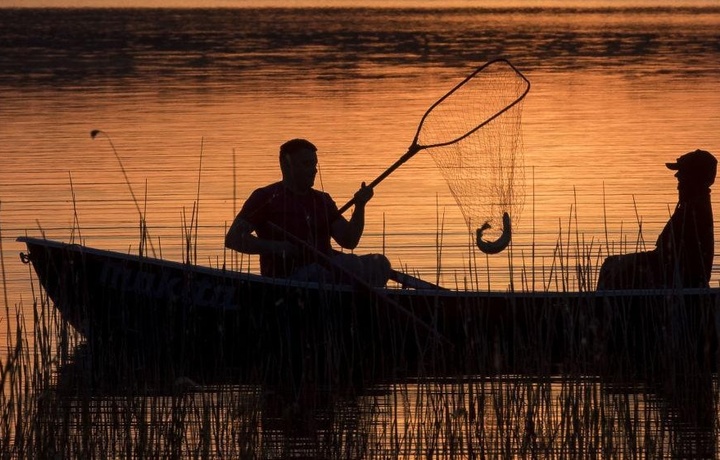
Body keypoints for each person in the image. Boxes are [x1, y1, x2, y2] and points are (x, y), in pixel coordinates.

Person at [225, 138, 392, 287]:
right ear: (286, 164)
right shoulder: (265, 197)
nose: (314, 170)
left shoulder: (322, 200)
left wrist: (360, 206)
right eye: (306, 164)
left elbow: (349, 241)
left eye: (314, 164)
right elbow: (233, 238)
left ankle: (361, 304)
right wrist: (278, 247)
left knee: (380, 264)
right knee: (335, 270)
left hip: (329, 270)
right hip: (288, 278)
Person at [597, 149, 716, 289]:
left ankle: (602, 308)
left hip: (675, 279)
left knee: (612, 267)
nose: (677, 176)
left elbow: (670, 259)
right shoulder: (691, 206)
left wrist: (623, 264)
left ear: (693, 177)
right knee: (613, 264)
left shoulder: (694, 211)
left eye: (682, 172)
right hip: (671, 274)